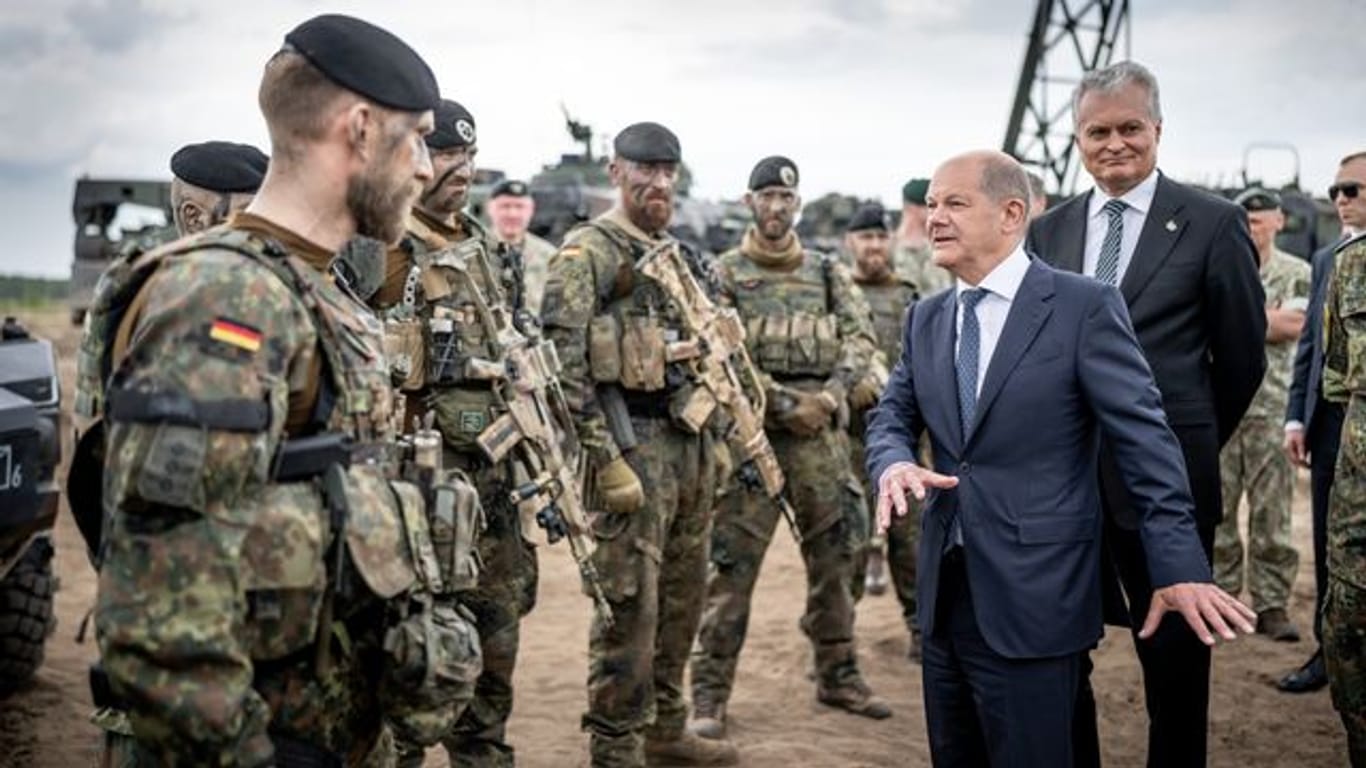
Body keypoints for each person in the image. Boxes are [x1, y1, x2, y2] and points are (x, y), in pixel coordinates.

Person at [88, 14, 483, 765]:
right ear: (361, 130)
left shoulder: (314, 287)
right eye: (418, 139)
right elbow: (163, 615)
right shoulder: (227, 297)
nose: (428, 169)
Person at [868, 149, 1254, 767]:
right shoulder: (927, 317)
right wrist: (892, 462)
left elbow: (1146, 441)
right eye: (932, 203)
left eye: (955, 203)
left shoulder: (1083, 307)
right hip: (946, 594)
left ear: (1012, 213)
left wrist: (1177, 563)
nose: (934, 217)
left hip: (1039, 595)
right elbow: (891, 416)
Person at [1026, 60, 1267, 768]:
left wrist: (1171, 447)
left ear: (1158, 129)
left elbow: (1242, 361)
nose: (1115, 144)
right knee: (1063, 659)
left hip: (1167, 492)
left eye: (1130, 127)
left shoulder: (1214, 223)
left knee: (1175, 669)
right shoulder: (1053, 231)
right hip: (1066, 489)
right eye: (1097, 131)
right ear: (1077, 140)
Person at [540, 121, 739, 767]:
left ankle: (665, 728)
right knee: (629, 607)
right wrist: (604, 461)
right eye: (643, 169)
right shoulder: (588, 252)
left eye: (667, 171)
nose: (657, 181)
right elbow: (564, 371)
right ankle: (615, 744)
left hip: (689, 449)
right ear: (615, 172)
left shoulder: (678, 255)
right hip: (630, 448)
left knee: (684, 598)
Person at [78, 138, 268, 762]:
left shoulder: (256, 276)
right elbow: (96, 436)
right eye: (247, 210)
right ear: (195, 215)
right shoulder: (142, 282)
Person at [689, 157, 887, 742]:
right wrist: (780, 403)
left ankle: (838, 672)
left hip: (819, 441)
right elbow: (715, 352)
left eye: (786, 197)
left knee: (839, 558)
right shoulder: (721, 271)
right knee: (731, 569)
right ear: (750, 202)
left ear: (796, 205)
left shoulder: (827, 272)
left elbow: (860, 338)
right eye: (766, 196)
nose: (776, 207)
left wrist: (828, 397)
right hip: (751, 443)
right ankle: (710, 690)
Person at [373, 98, 538, 768]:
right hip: (415, 504)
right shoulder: (380, 253)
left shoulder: (493, 254)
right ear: (411, 157)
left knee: (493, 672)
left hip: (493, 502)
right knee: (408, 672)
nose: (460, 168)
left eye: (467, 155)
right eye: (444, 153)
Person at [1281, 151, 1366, 693]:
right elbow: (1310, 346)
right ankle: (1328, 653)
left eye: (1353, 189)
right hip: (1333, 425)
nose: (1341, 199)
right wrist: (1295, 417)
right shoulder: (1327, 259)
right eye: (1336, 189)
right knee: (1331, 546)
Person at [1213, 187, 1309, 641]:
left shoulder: (1297, 273)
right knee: (1219, 514)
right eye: (1245, 220)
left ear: (1278, 222)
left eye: (1260, 220)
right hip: (1223, 409)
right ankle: (1223, 600)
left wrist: (1232, 317)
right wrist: (1262, 318)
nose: (1253, 227)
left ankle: (1272, 604)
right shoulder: (1217, 265)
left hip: (1273, 410)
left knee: (1273, 517)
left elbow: (1296, 325)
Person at [843, 203, 923, 660]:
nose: (873, 245)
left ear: (890, 241)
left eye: (880, 236)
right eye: (864, 237)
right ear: (849, 243)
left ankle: (919, 630)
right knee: (846, 545)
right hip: (849, 439)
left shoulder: (909, 296)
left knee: (910, 542)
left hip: (904, 443)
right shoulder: (837, 293)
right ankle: (839, 642)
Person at [1320, 153, 1366, 763]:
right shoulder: (1350, 265)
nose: (1341, 197)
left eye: (1353, 188)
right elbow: (1336, 373)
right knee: (1347, 626)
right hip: (1358, 494)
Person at [487, 178, 558, 314]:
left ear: (531, 210)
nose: (513, 214)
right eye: (505, 206)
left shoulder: (550, 256)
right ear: (490, 208)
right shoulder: (475, 252)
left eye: (519, 207)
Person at [894, 177, 951, 295]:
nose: (938, 212)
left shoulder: (943, 246)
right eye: (931, 205)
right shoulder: (887, 248)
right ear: (912, 208)